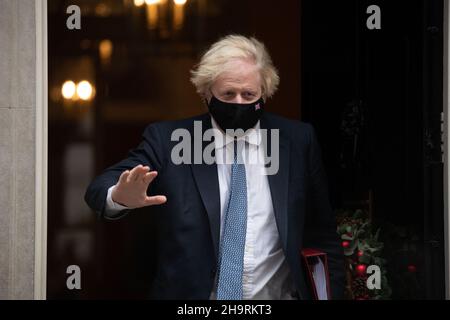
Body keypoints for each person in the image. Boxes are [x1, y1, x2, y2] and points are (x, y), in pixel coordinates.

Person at [85, 34, 344, 300]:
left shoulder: (297, 141)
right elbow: (98, 189)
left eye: (249, 94)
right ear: (206, 93)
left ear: (264, 92)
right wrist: (119, 196)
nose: (239, 103)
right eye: (228, 94)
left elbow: (322, 232)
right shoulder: (170, 141)